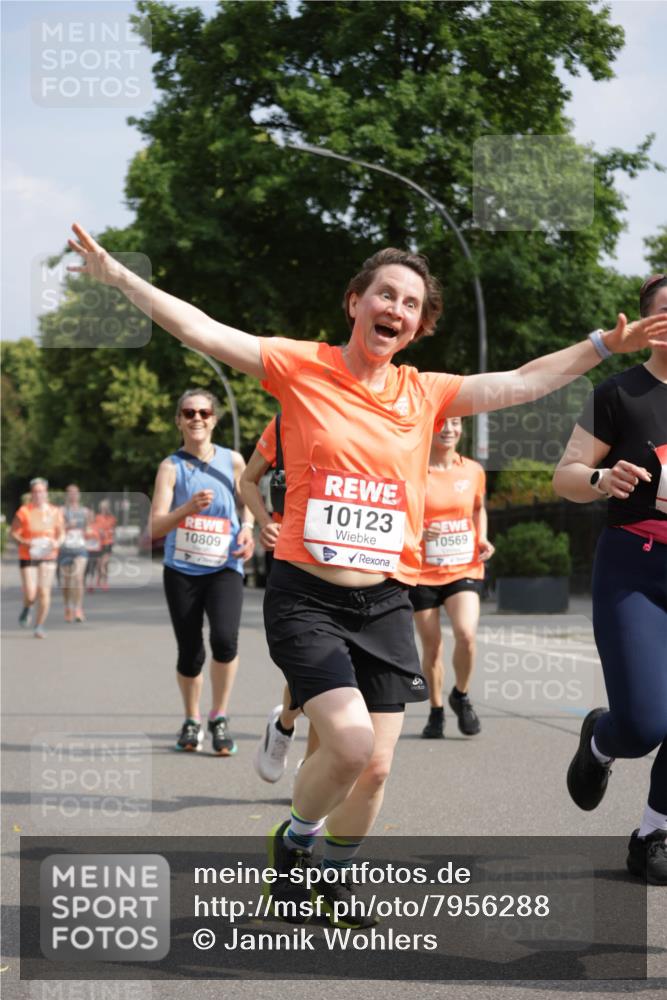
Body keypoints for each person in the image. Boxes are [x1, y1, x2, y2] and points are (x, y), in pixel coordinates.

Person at [67, 223, 667, 925]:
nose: (396, 308)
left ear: (416, 327)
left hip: (384, 600)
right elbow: (201, 329)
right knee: (350, 744)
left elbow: (520, 382)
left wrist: (601, 345)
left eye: (410, 303)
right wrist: (119, 278)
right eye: (384, 294)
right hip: (306, 596)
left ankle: (331, 876)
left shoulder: (426, 394)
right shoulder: (299, 366)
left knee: (376, 766)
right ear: (355, 302)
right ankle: (294, 843)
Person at [553, 273, 667, 885]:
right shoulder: (620, 394)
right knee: (646, 723)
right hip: (635, 567)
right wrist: (600, 479)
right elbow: (564, 476)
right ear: (647, 324)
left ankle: (652, 832)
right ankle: (600, 740)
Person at [150, 388, 255, 755]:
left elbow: (249, 502)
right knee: (190, 651)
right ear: (178, 420)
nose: (197, 418)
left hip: (225, 566)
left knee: (225, 640)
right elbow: (156, 527)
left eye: (204, 413)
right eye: (189, 412)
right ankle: (192, 719)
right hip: (182, 570)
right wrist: (187, 509)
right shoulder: (171, 466)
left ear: (214, 419)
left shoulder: (234, 460)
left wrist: (248, 528)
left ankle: (219, 716)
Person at [239, 416, 319, 782]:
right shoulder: (287, 420)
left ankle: (315, 770)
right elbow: (248, 479)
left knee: (339, 671)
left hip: (354, 564)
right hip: (293, 561)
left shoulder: (372, 412)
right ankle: (284, 724)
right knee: (312, 664)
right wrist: (263, 521)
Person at [410, 418, 494, 739]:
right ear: (428, 428)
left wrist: (482, 537)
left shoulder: (473, 470)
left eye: (455, 423)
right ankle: (435, 710)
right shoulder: (413, 470)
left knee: (466, 634)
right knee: (431, 648)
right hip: (422, 571)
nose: (449, 429)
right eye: (441, 423)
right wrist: (418, 530)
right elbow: (400, 514)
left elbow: (478, 508)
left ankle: (460, 694)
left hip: (464, 566)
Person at [11, 478, 64, 639]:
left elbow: (61, 533)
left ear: (46, 493)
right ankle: (27, 607)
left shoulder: (55, 512)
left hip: (48, 555)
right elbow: (14, 533)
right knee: (31, 593)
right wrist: (26, 542)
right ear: (31, 493)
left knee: (44, 591)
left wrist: (57, 542)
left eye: (41, 491)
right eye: (35, 491)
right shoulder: (24, 511)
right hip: (28, 555)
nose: (38, 494)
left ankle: (39, 626)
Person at [58, 484, 92, 623]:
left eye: (75, 493)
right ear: (67, 495)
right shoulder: (60, 511)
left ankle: (78, 609)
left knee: (78, 578)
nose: (73, 495)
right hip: (65, 548)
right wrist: (66, 526)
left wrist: (89, 533)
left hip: (80, 548)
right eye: (70, 493)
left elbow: (90, 528)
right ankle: (67, 607)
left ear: (79, 495)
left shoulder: (85, 512)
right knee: (66, 581)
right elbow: (55, 529)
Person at [87, 498, 117, 592]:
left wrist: (110, 534)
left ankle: (104, 581)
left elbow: (113, 530)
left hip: (108, 543)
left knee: (104, 563)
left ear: (109, 508)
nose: (104, 509)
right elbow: (93, 527)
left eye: (106, 508)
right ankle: (99, 579)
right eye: (102, 508)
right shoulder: (97, 517)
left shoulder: (112, 518)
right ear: (100, 508)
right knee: (100, 564)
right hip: (99, 544)